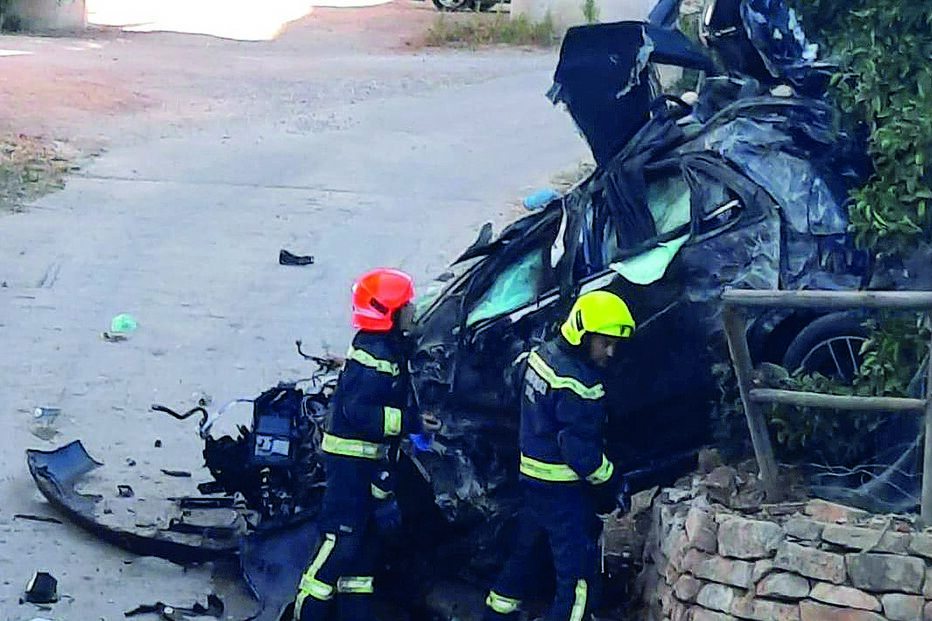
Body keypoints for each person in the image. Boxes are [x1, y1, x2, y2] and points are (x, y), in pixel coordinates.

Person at [483, 290, 635, 621]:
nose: (611, 352)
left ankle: (495, 616)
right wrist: (613, 482)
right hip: (564, 492)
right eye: (605, 342)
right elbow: (581, 453)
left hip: (533, 481)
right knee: (579, 582)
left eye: (615, 344)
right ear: (583, 334)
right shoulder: (580, 386)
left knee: (523, 558)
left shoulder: (541, 357)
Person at [291, 268, 418, 621]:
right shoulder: (375, 356)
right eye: (407, 305)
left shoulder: (387, 346)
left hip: (368, 464)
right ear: (388, 311)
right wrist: (411, 422)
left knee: (362, 558)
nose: (413, 310)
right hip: (350, 468)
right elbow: (360, 412)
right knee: (339, 547)